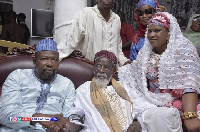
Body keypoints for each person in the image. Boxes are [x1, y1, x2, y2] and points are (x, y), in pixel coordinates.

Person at [119, 12, 200, 132]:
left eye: (157, 31)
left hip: (181, 100)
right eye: (149, 31)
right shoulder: (145, 52)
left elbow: (189, 83)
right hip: (151, 101)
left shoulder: (184, 49)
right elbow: (133, 72)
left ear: (168, 34)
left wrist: (190, 114)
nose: (151, 35)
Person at [74, 50, 182, 132]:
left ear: (114, 71)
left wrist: (138, 122)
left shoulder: (124, 87)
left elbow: (144, 106)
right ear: (94, 69)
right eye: (98, 66)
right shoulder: (84, 89)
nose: (101, 70)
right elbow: (75, 113)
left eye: (106, 67)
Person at [0, 39, 82, 132]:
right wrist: (36, 118)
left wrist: (61, 127)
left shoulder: (67, 84)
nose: (50, 64)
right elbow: (6, 117)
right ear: (35, 62)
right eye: (44, 59)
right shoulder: (17, 77)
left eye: (54, 60)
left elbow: (68, 118)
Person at [58, 0, 130, 66]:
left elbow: (117, 48)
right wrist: (56, 56)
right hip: (91, 68)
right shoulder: (87, 13)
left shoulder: (116, 19)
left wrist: (124, 61)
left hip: (111, 71)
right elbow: (71, 39)